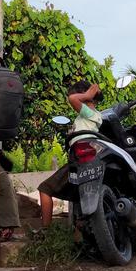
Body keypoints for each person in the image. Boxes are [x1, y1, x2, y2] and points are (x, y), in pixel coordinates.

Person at [38, 81, 102, 226]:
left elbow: (72, 99)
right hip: (87, 159)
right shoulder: (92, 117)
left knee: (45, 189)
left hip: (79, 160)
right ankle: (78, 238)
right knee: (78, 198)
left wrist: (87, 95)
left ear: (87, 98)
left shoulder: (88, 113)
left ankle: (46, 231)